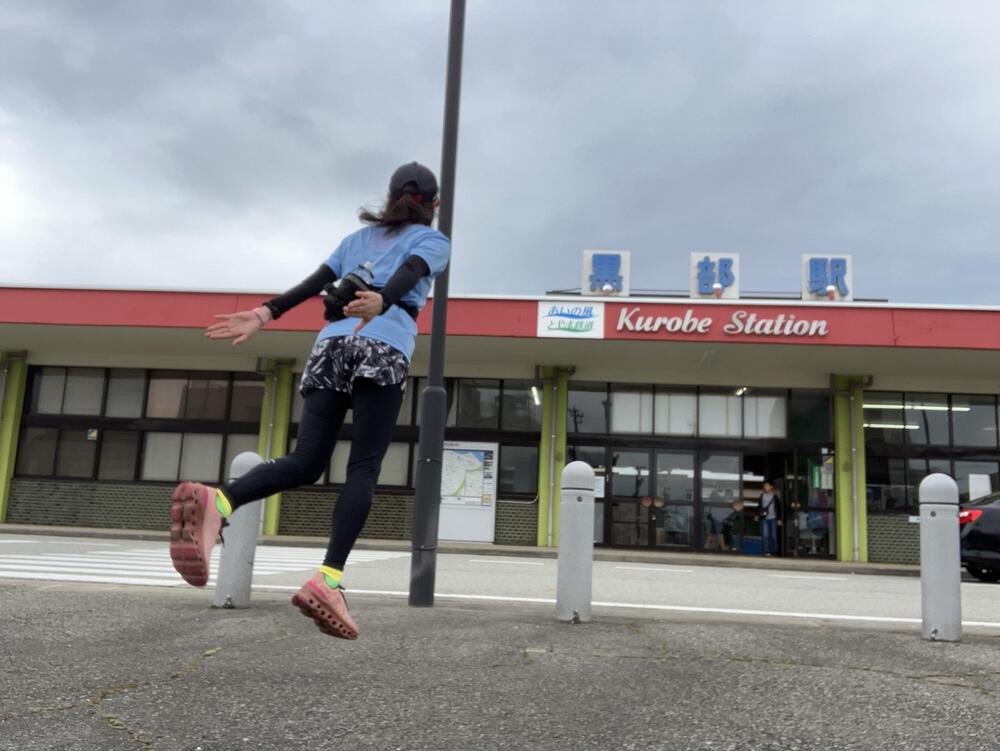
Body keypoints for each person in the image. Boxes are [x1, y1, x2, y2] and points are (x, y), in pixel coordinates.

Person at [168, 162, 450, 640]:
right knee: (363, 467)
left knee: (306, 459)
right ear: (434, 204)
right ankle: (329, 579)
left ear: (388, 197)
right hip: (382, 344)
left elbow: (312, 282)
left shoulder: (355, 241)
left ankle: (220, 500)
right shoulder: (434, 240)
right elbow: (411, 272)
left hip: (331, 346)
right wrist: (382, 302)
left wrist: (263, 313)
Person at [757, 481, 782, 556]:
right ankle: (766, 551)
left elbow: (779, 508)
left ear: (771, 487)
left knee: (774, 535)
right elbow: (759, 507)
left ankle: (774, 551)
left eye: (767, 486)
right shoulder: (762, 496)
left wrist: (779, 519)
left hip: (773, 518)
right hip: (764, 518)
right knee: (765, 535)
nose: (765, 487)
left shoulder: (775, 497)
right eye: (764, 486)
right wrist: (757, 515)